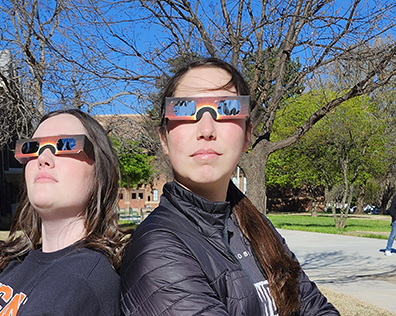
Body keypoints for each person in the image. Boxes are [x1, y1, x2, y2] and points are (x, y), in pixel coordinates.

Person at [120, 58, 340, 316]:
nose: (206, 129)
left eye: (227, 108)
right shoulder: (158, 250)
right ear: (164, 139)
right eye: (183, 108)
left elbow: (316, 308)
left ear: (248, 135)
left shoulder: (254, 224)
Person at [0, 109, 126, 316]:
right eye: (33, 147)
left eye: (66, 145)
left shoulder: (84, 279)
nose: (43, 158)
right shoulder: (7, 261)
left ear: (100, 173)